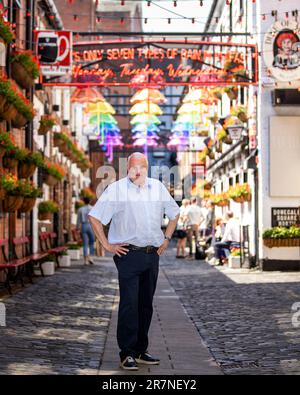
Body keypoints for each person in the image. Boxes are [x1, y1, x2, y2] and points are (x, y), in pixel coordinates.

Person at [88, 152, 179, 371]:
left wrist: (166, 239)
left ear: (147, 168)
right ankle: (126, 352)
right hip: (128, 254)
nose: (138, 171)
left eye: (142, 167)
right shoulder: (117, 190)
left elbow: (174, 213)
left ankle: (140, 350)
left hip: (152, 254)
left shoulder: (157, 187)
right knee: (129, 303)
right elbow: (95, 216)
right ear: (126, 168)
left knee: (145, 304)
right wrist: (107, 245)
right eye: (133, 167)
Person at [76, 196, 95, 265]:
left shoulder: (80, 209)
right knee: (92, 242)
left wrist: (77, 228)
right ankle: (91, 258)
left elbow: (78, 220)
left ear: (84, 201)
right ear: (89, 201)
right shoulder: (93, 208)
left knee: (85, 243)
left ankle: (85, 260)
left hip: (84, 225)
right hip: (90, 226)